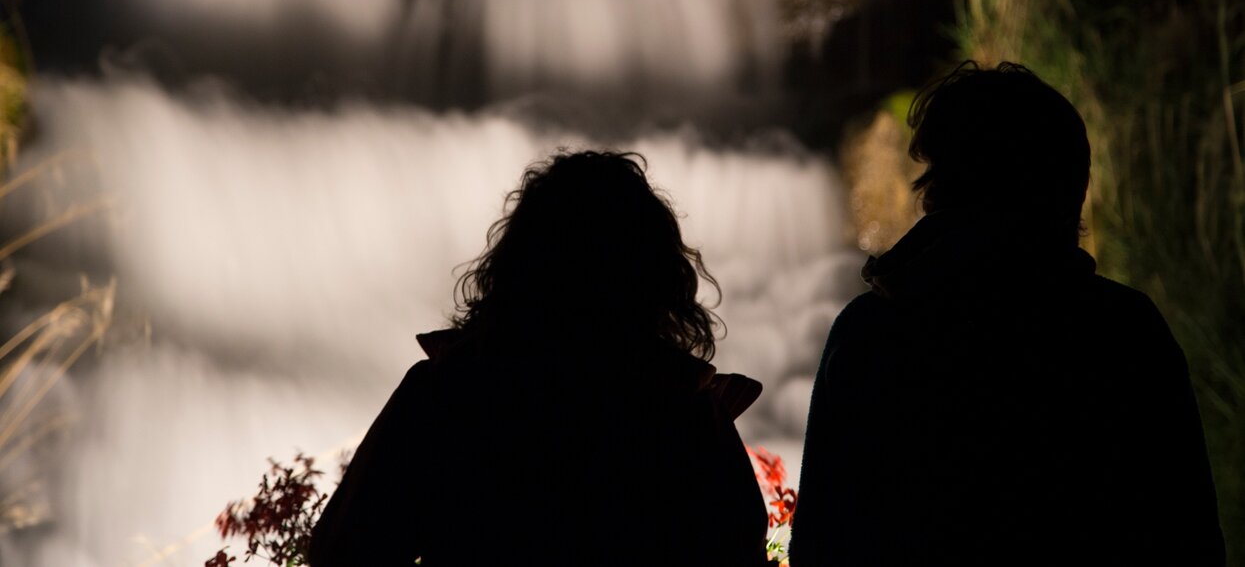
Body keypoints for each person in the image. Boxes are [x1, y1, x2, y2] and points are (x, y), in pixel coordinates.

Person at [790, 63, 1225, 566]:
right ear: (1068, 196)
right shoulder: (1125, 334)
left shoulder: (872, 336)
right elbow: (1191, 537)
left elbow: (823, 542)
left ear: (936, 190)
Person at [309, 150, 770, 567]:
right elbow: (736, 548)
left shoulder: (442, 399)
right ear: (654, 280)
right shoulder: (689, 418)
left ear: (518, 268)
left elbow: (345, 550)